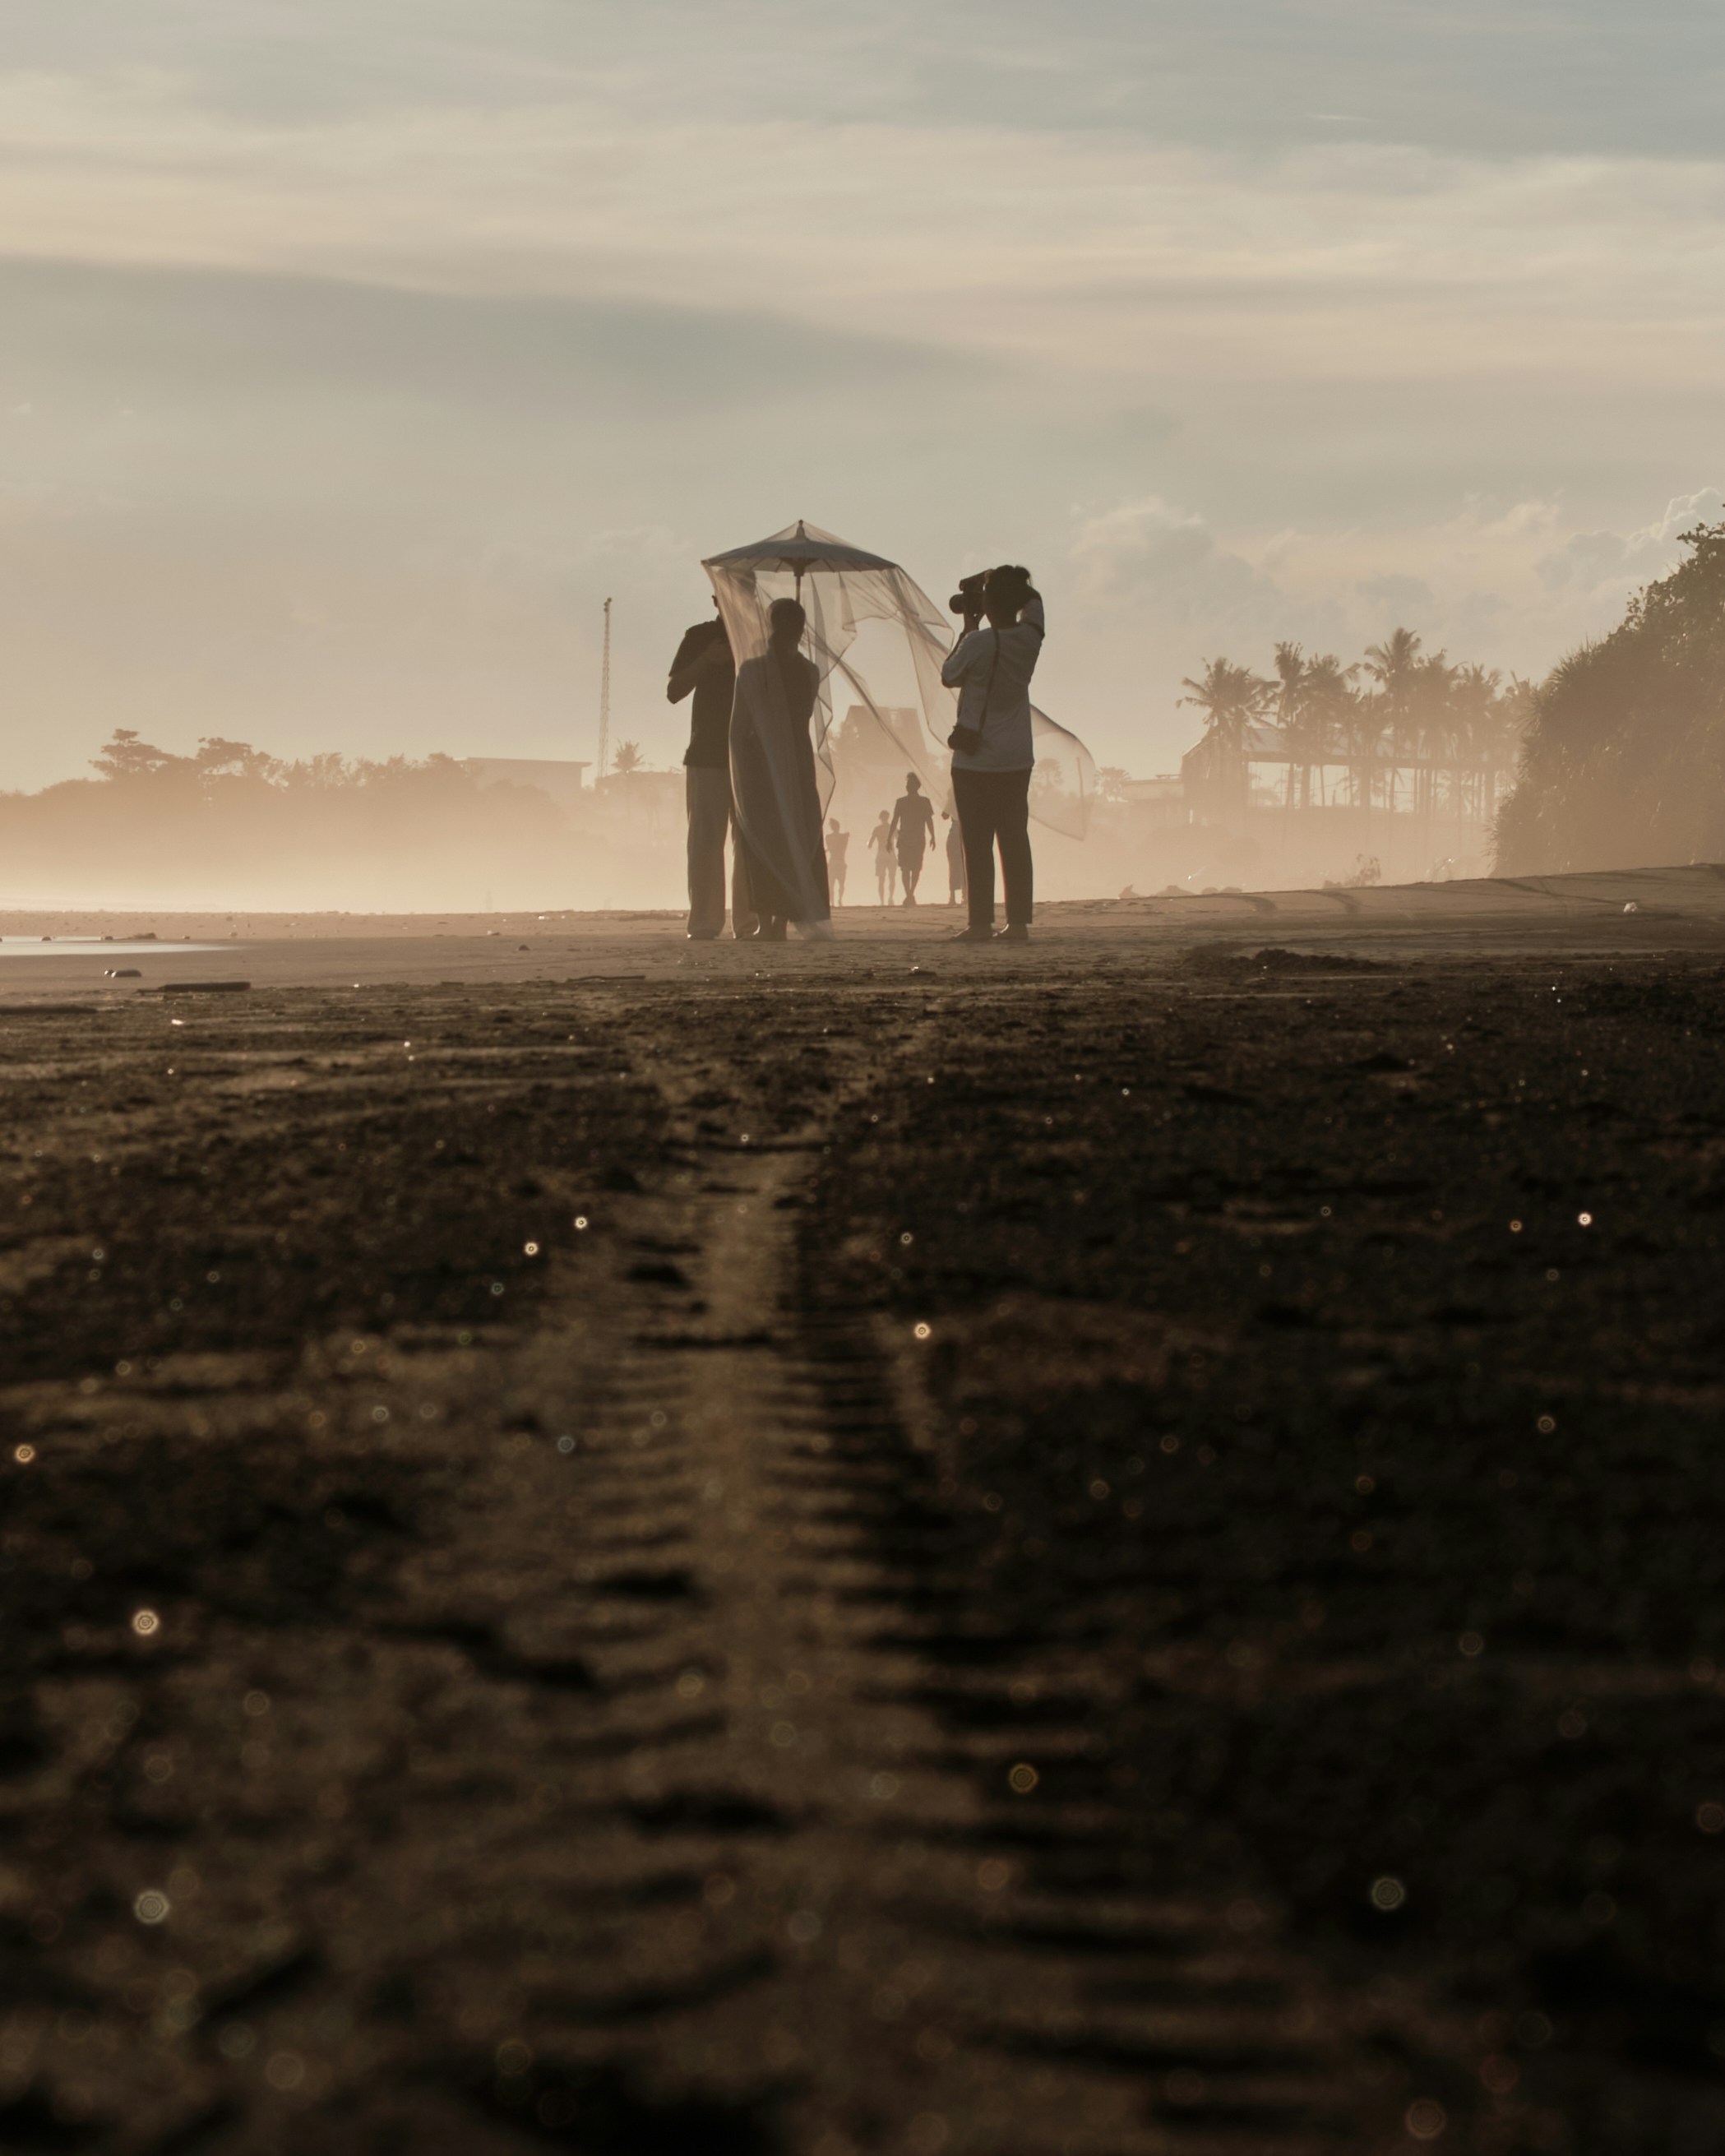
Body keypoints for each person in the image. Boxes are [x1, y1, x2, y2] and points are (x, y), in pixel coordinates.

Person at [941, 563, 1043, 943]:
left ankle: (980, 923)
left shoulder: (978, 642)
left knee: (977, 841)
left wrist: (970, 624)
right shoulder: (1030, 639)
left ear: (988, 603)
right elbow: (1035, 603)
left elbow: (949, 674)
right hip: (1017, 757)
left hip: (974, 758)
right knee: (1015, 838)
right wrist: (1001, 582)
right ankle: (1017, 924)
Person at [729, 596, 828, 941]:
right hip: (799, 762)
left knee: (765, 836)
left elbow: (740, 727)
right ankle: (780, 923)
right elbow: (799, 716)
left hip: (761, 761)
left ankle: (768, 923)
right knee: (794, 835)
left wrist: (739, 767)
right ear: (800, 630)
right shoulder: (809, 671)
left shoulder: (753, 670)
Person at [668, 599, 756, 940]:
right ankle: (705, 922)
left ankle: (748, 923)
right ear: (716, 599)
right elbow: (675, 690)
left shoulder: (758, 640)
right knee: (706, 841)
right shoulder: (701, 636)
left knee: (748, 843)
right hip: (707, 753)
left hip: (750, 754)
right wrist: (707, 660)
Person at [887, 772, 936, 905]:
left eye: (911, 784)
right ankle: (909, 894)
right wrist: (889, 838)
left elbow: (929, 820)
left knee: (915, 868)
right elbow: (894, 821)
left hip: (918, 839)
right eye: (907, 784)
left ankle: (910, 894)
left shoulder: (924, 802)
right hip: (904, 839)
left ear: (917, 786)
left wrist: (933, 836)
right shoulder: (901, 802)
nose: (908, 786)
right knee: (905, 868)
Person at [868, 811, 896, 905]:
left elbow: (870, 844)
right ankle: (891, 898)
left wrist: (868, 844)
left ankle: (882, 901)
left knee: (881, 879)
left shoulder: (877, 829)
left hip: (881, 854)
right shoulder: (893, 828)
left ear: (880, 818)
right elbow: (899, 839)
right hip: (891, 853)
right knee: (892, 877)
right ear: (888, 817)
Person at [943, 812, 965, 907]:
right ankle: (964, 895)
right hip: (965, 833)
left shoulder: (952, 800)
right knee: (964, 867)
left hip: (955, 835)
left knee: (953, 866)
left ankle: (953, 896)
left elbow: (944, 816)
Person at [826, 817, 849, 905]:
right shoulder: (844, 838)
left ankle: (832, 902)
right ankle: (840, 899)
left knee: (831, 883)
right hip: (841, 861)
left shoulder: (828, 837)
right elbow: (843, 847)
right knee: (841, 883)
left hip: (833, 861)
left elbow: (831, 847)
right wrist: (845, 836)